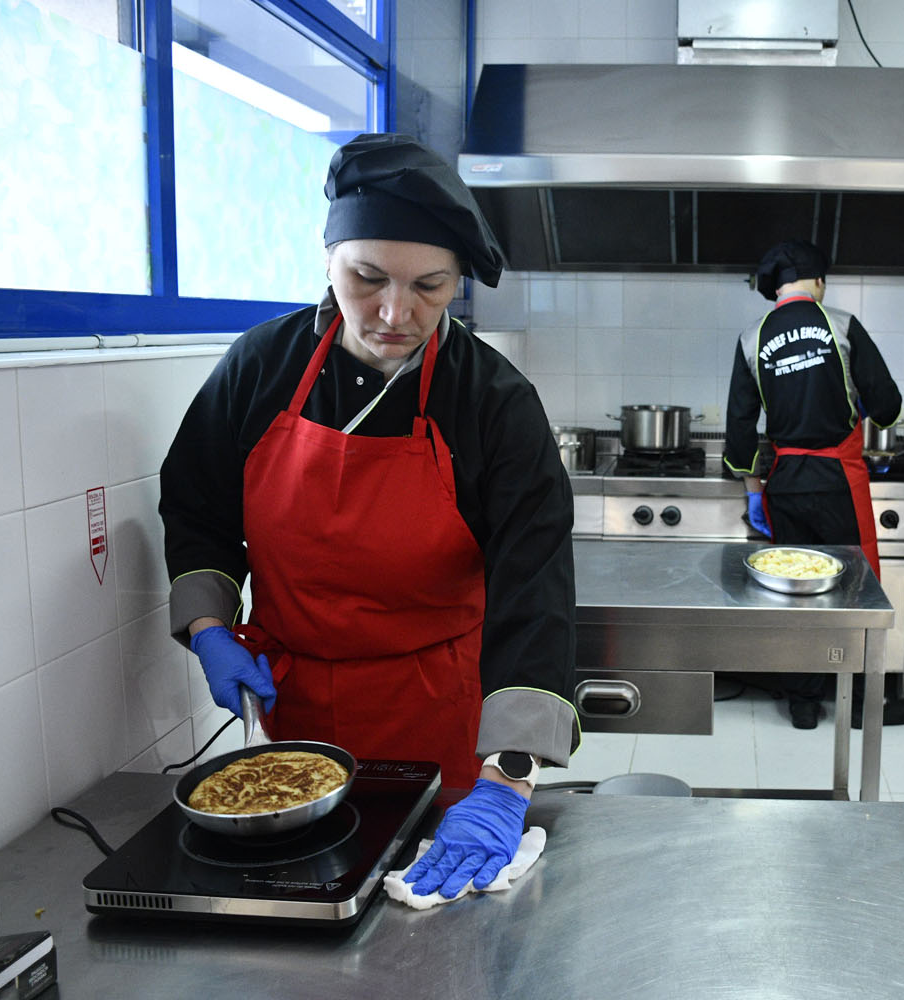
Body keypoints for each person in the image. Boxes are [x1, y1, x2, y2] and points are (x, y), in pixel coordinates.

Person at [159, 133, 579, 900]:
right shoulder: (260, 367)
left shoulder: (493, 403)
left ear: (458, 284)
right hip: (296, 719)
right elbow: (197, 503)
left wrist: (508, 780)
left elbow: (535, 586)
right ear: (328, 260)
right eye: (367, 277)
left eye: (430, 285)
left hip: (440, 716)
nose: (394, 312)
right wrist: (211, 627)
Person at [723, 239, 904, 730]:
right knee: (851, 589)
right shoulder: (843, 325)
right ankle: (854, 701)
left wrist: (752, 491)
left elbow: (740, 428)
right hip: (838, 479)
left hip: (784, 481)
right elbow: (889, 404)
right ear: (818, 282)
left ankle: (803, 702)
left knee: (795, 590)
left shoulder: (752, 337)